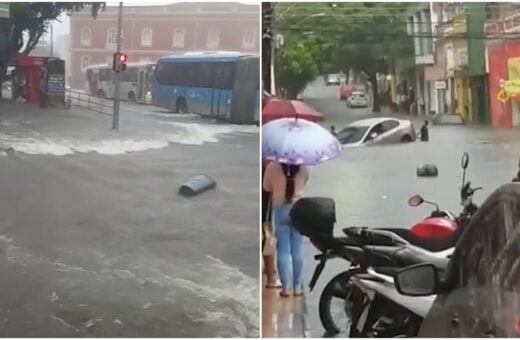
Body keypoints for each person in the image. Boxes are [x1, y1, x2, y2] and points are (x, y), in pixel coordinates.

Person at [263, 161, 309, 297]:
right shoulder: (303, 167)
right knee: (297, 250)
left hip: (280, 209)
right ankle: (297, 287)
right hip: (299, 209)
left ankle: (286, 288)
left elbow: (266, 187)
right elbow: (305, 182)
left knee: (283, 250)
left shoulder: (272, 167)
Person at [262, 160, 280, 289]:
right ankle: (271, 280)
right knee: (268, 235)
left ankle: (268, 269)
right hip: (265, 197)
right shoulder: (268, 161)